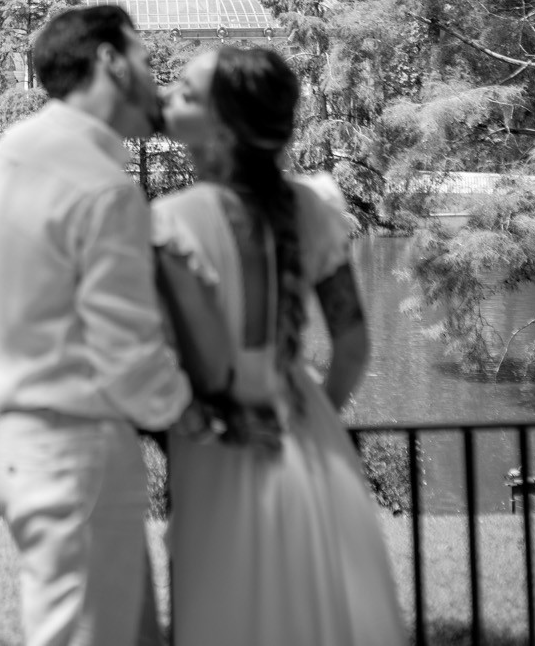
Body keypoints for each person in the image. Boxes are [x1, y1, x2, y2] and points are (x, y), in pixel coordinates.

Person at [153, 44, 404, 646]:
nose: (167, 96)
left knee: (222, 609)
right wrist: (315, 416)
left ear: (223, 126)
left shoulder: (168, 222)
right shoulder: (312, 209)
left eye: (185, 91)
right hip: (305, 433)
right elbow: (352, 347)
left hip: (214, 437)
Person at [0, 4, 193, 646]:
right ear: (110, 62)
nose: (158, 81)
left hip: (27, 445)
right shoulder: (99, 184)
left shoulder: (18, 150)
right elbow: (126, 352)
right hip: (78, 455)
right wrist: (199, 419)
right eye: (146, 61)